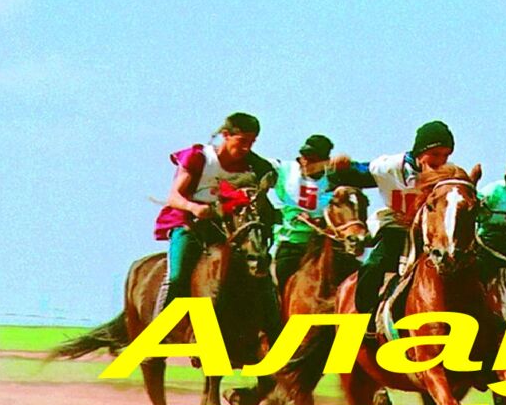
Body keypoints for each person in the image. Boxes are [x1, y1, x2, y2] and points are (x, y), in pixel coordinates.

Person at [152, 112, 280, 340]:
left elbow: (271, 178)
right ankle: (157, 332)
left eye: (251, 142)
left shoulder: (251, 164)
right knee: (178, 275)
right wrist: (193, 207)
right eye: (242, 141)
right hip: (189, 223)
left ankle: (273, 331)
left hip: (226, 227)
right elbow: (173, 196)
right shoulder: (199, 158)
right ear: (226, 135)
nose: (246, 148)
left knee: (260, 268)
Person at [323, 120, 457, 318]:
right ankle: (365, 317)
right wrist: (342, 168)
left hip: (430, 235)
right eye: (435, 154)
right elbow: (357, 173)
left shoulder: (449, 175)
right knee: (372, 266)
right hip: (396, 229)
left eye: (446, 155)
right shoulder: (388, 167)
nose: (441, 160)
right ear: (420, 152)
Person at [269, 134, 364, 295]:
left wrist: (349, 164)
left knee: (357, 275)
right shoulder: (284, 170)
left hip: (326, 244)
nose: (305, 162)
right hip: (293, 243)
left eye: (312, 159)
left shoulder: (335, 177)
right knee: (283, 275)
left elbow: (364, 175)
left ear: (324, 161)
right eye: (304, 157)